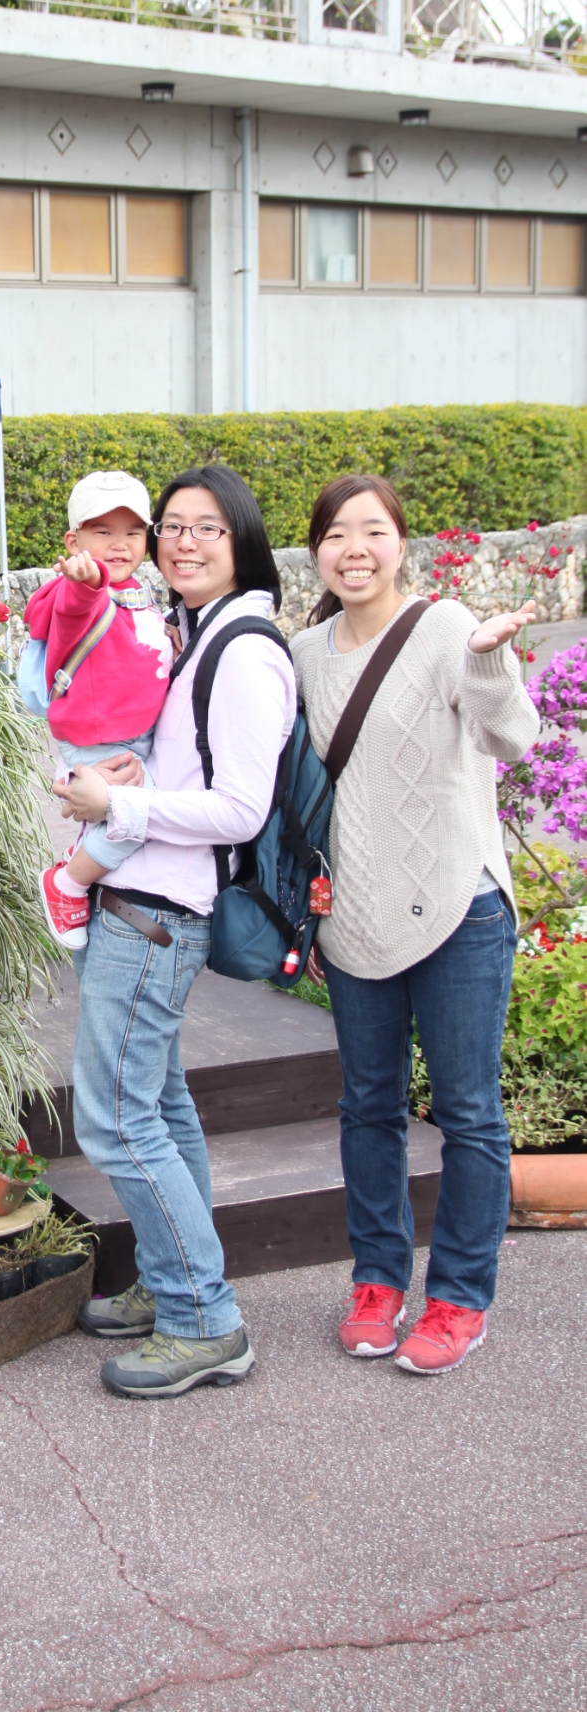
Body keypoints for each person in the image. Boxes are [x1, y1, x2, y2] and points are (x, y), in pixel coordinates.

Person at [291, 474, 538, 1375]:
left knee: (467, 1112)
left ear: (401, 543)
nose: (353, 549)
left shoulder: (445, 629)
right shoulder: (302, 653)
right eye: (335, 534)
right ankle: (377, 1282)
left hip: (459, 906)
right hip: (354, 917)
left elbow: (514, 738)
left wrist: (488, 661)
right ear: (315, 551)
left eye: (371, 531)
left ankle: (460, 1298)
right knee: (368, 1108)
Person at [61, 465, 296, 1399]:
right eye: (171, 526)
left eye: (207, 528)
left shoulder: (243, 650)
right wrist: (134, 771)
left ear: (242, 541)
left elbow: (239, 808)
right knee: (158, 1109)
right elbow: (190, 765)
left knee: (115, 1121)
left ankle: (203, 1319)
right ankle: (173, 1286)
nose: (182, 542)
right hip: (141, 904)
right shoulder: (196, 633)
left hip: (157, 916)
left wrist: (120, 805)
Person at [27, 471, 175, 951]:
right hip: (100, 737)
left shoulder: (137, 593)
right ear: (74, 541)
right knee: (139, 819)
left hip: (129, 734)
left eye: (132, 532)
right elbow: (77, 608)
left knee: (122, 816)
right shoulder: (77, 591)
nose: (119, 543)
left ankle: (81, 859)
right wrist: (87, 582)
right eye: (103, 531)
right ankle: (67, 884)